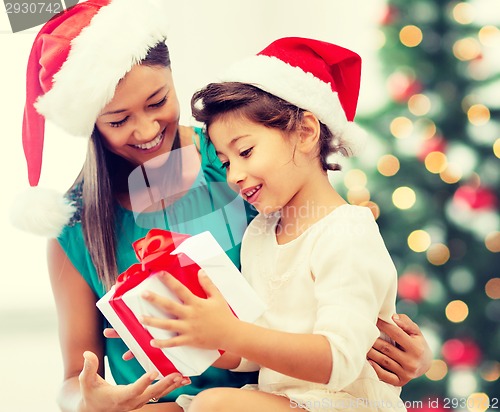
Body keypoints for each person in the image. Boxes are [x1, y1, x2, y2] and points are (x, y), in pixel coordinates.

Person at [12, 0, 431, 410]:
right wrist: (88, 400)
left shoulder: (242, 157)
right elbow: (73, 377)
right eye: (118, 120)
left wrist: (407, 355)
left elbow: (338, 279)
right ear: (92, 125)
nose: (145, 130)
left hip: (269, 398)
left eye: (157, 101)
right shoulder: (76, 224)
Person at [137, 37, 426, 412]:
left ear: (306, 132)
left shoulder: (347, 231)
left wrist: (232, 332)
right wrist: (191, 332)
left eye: (245, 152)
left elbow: (338, 361)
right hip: (283, 400)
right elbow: (253, 356)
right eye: (225, 162)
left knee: (213, 405)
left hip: (345, 403)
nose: (234, 175)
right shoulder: (259, 233)